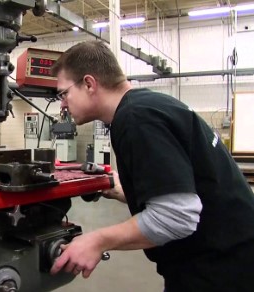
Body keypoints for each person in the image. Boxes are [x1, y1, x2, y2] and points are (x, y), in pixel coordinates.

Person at [49, 41, 254, 292]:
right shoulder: (150, 105)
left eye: (63, 93)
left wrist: (96, 241)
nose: (62, 104)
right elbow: (188, 191)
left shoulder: (136, 119)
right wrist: (118, 190)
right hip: (232, 258)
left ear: (89, 84)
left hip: (220, 270)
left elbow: (178, 216)